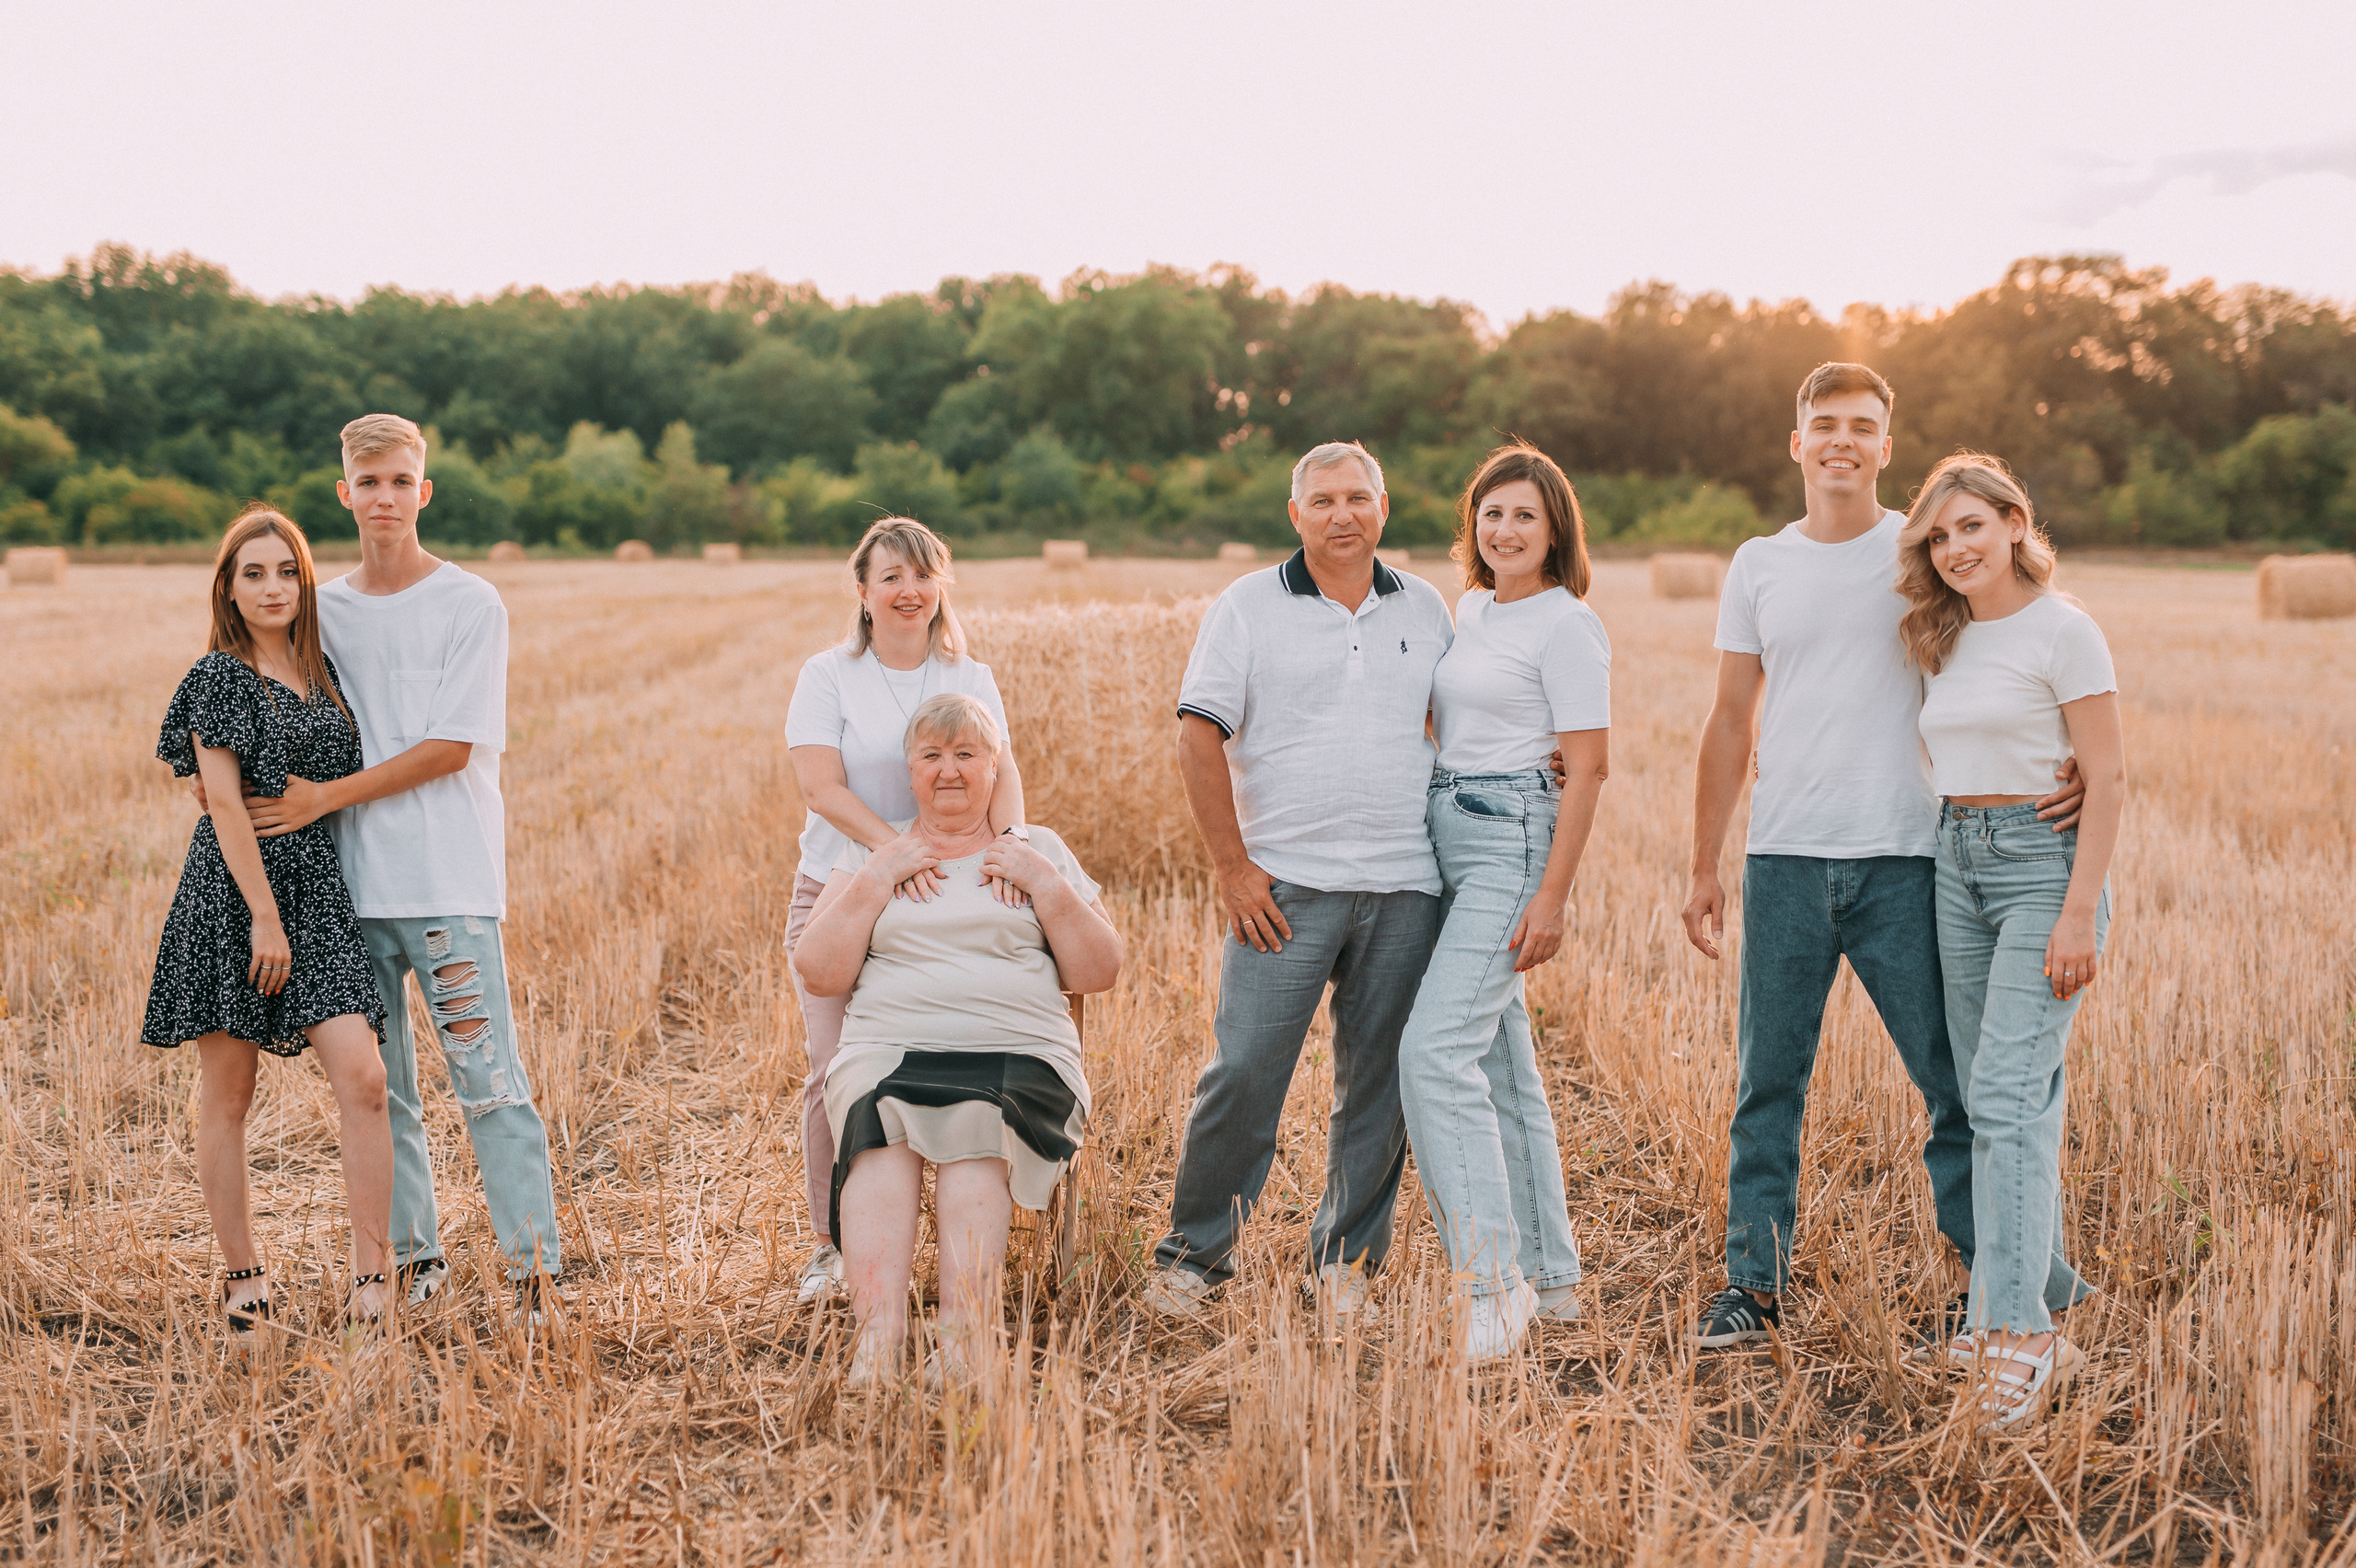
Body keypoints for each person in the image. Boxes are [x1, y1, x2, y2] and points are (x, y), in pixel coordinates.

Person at [1680, 364, 2085, 1350]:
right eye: (1824, 424)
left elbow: (2019, 642)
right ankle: (1753, 1284)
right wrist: (1702, 866)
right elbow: (1730, 720)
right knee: (1766, 1085)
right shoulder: (1757, 564)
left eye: (1861, 426)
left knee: (1951, 1084)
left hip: (1909, 860)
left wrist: (2063, 759)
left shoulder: (1920, 549)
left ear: (1886, 445)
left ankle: (2001, 1274)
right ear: (1796, 441)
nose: (1841, 442)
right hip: (1782, 859)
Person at [225, 414, 562, 1321]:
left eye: (399, 480)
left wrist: (321, 801)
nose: (383, 497)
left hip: (447, 884)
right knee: (384, 1096)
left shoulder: (469, 603)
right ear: (344, 493)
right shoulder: (318, 609)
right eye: (366, 482)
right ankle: (416, 1264)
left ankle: (534, 1275)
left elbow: (451, 748)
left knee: (489, 1087)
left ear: (424, 491)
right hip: (346, 895)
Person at [1145, 441, 1457, 1319]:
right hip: (1284, 889)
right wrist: (1234, 870)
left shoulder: (1427, 607)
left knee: (1379, 1085)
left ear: (1384, 508)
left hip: (1405, 885)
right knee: (1243, 1072)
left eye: (1359, 497)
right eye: (1323, 501)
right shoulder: (1247, 606)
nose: (1342, 514)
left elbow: (1458, 723)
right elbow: (1196, 736)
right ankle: (1194, 1257)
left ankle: (1347, 1264)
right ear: (1296, 515)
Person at [791, 694, 1121, 1385]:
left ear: (995, 768)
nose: (949, 771)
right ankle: (877, 1341)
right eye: (932, 756)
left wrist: (1043, 884)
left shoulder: (1039, 850)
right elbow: (818, 971)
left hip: (1019, 1052)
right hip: (891, 1049)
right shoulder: (872, 852)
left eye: (967, 754)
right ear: (909, 772)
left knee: (978, 1133)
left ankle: (964, 1339)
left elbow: (1100, 970)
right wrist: (879, 874)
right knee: (879, 1129)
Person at [1898, 453, 2121, 1427]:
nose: (1954, 550)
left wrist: (2079, 908)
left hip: (2041, 869)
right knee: (2002, 1094)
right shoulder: (1941, 639)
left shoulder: (2064, 631)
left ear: (2014, 522)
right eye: (1938, 537)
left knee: (2003, 1092)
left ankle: (2021, 1335)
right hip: (1958, 861)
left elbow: (2107, 780)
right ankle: (2014, 1301)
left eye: (1970, 529)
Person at [143, 505, 394, 1332]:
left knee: (363, 1078)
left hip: (319, 892)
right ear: (228, 587)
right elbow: (220, 800)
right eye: (253, 572)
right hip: (234, 897)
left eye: (286, 570)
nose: (272, 586)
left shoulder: (325, 672)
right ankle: (243, 1275)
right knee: (229, 1092)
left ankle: (373, 1278)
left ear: (304, 580)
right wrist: (263, 917)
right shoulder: (217, 675)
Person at [1397, 444, 1608, 1360]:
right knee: (1501, 1064)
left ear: (1555, 526)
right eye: (1491, 513)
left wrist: (1552, 897)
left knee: (1434, 1052)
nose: (1505, 529)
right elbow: (1450, 718)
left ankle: (1493, 1283)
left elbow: (1590, 763)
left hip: (1513, 839)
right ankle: (1553, 1280)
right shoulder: (1471, 609)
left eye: (1524, 514)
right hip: (1449, 825)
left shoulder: (1567, 625)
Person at [783, 518, 1029, 1306]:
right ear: (863, 591)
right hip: (841, 885)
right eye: (889, 576)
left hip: (949, 895)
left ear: (939, 587)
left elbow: (1004, 770)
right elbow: (821, 787)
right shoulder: (828, 675)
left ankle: (957, 1246)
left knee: (952, 1063)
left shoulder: (969, 673)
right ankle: (830, 1248)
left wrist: (1013, 852)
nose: (907, 590)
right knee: (833, 1071)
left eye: (921, 575)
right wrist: (896, 854)